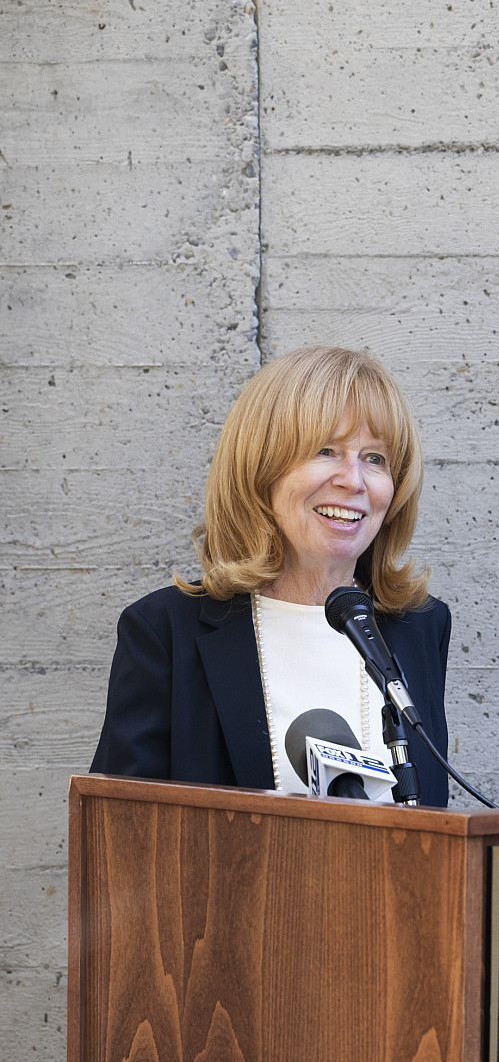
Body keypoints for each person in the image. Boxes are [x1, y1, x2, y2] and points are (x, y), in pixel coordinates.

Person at [92, 345, 451, 806]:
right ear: (261, 469)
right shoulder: (164, 632)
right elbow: (119, 828)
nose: (354, 480)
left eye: (375, 458)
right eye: (325, 451)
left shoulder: (420, 626)